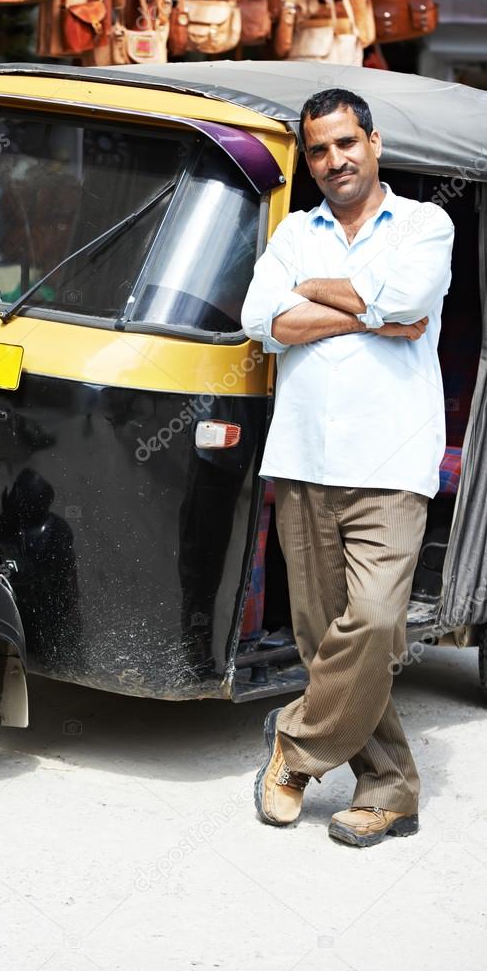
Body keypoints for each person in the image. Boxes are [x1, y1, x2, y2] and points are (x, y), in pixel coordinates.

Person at [241, 88, 454, 847]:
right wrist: (373, 314)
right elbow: (260, 320)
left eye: (345, 143)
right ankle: (390, 788)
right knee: (321, 637)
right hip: (301, 458)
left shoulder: (426, 224)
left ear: (373, 142)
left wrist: (315, 297)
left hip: (391, 462)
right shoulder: (296, 232)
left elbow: (410, 297)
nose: (333, 160)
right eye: (319, 150)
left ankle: (293, 751)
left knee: (369, 624)